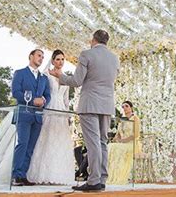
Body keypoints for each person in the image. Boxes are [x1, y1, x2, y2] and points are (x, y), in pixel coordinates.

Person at [50, 30, 119, 192]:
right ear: (106, 41)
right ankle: (101, 179)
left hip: (90, 104)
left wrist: (59, 76)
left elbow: (76, 81)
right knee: (102, 141)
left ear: (93, 40)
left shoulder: (87, 54)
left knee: (93, 142)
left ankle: (94, 180)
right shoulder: (114, 58)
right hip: (107, 105)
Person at [27, 49, 75, 185]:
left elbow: (66, 99)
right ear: (53, 60)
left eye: (62, 59)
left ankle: (58, 174)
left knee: (59, 139)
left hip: (61, 111)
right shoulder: (46, 75)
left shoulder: (66, 77)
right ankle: (41, 173)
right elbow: (40, 91)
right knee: (46, 137)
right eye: (58, 59)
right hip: (49, 106)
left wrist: (68, 114)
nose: (60, 62)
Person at [11, 49, 51, 186]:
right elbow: (15, 92)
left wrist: (44, 101)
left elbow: (48, 95)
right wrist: (33, 100)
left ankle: (23, 175)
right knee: (22, 143)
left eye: (43, 57)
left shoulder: (44, 78)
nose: (41, 58)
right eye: (39, 55)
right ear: (31, 56)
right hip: (23, 114)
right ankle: (15, 175)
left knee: (30, 147)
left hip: (38, 116)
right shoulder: (20, 73)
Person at [107, 101, 142, 184]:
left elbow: (136, 134)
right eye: (123, 107)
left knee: (118, 148)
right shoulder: (122, 119)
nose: (125, 108)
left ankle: (120, 177)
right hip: (122, 144)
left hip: (133, 144)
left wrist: (124, 141)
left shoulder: (135, 118)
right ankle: (111, 175)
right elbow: (118, 134)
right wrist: (117, 139)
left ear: (131, 108)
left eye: (126, 106)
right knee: (110, 146)